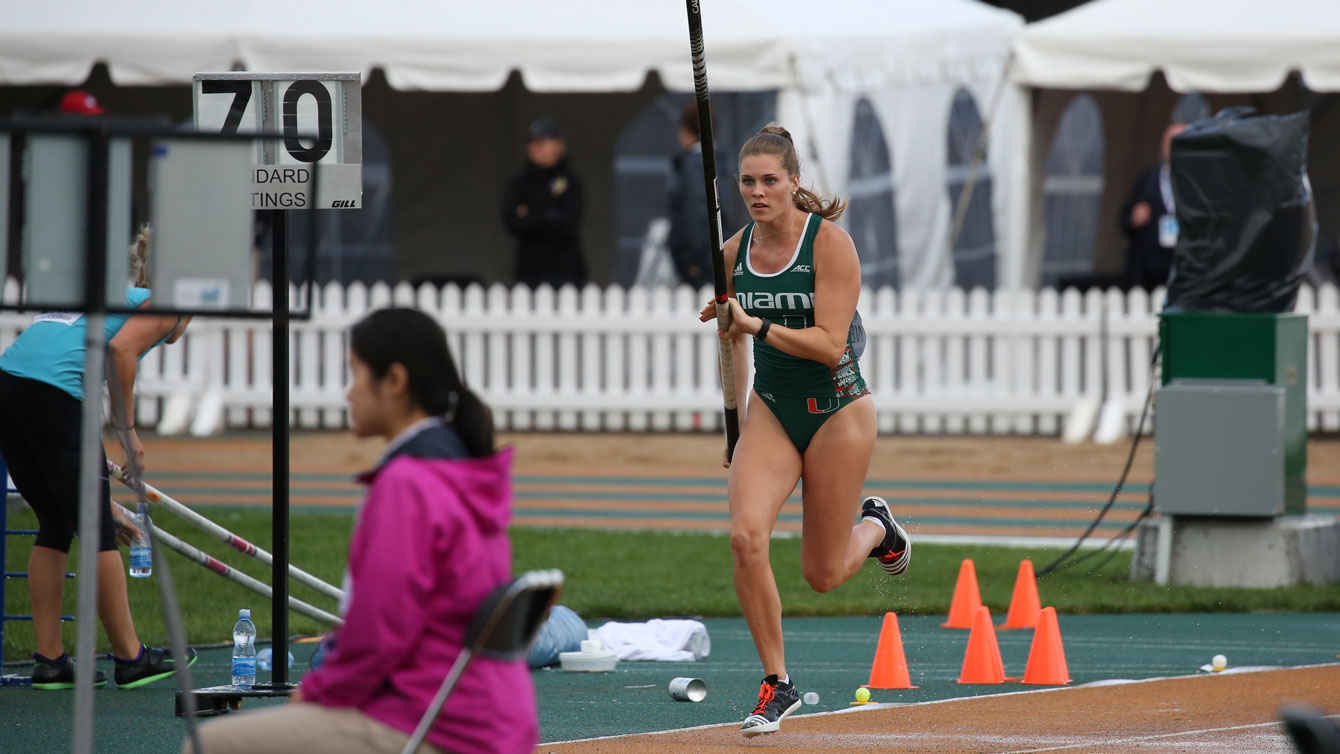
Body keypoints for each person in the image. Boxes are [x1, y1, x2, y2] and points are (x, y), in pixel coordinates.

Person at [187, 308, 536, 754]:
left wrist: (315, 692)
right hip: (492, 720)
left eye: (354, 374)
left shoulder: (407, 483)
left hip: (434, 725)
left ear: (394, 381)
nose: (348, 393)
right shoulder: (464, 471)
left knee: (215, 744)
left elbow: (381, 631)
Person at [696, 125, 910, 737]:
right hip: (772, 408)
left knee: (821, 575)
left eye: (770, 180)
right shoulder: (732, 254)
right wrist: (733, 424)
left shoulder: (830, 247)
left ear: (794, 182)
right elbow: (731, 344)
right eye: (748, 182)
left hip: (839, 410)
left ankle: (877, 527)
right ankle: (776, 682)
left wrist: (754, 323)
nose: (758, 192)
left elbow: (828, 345)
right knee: (744, 536)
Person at [0, 225, 195, 689]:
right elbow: (121, 351)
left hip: (7, 384)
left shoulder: (114, 297)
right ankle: (131, 658)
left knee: (54, 520)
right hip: (50, 392)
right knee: (98, 532)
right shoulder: (164, 303)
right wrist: (128, 434)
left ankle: (51, 661)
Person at [501, 117, 587, 289]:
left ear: (558, 144)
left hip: (566, 271)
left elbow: (568, 223)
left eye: (543, 142)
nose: (537, 148)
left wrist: (531, 215)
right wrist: (550, 214)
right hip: (529, 271)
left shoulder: (571, 181)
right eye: (533, 143)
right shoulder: (519, 182)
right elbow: (511, 222)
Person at [667, 101, 734, 289]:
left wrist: (692, 259)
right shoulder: (721, 161)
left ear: (686, 129)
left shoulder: (693, 165)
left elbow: (696, 211)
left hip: (700, 261)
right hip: (719, 252)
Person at [1120, 122, 1188, 291]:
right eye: (1170, 143)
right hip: (1150, 272)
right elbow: (1123, 219)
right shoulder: (1147, 179)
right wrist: (1134, 219)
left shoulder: (1200, 184)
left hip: (1186, 269)